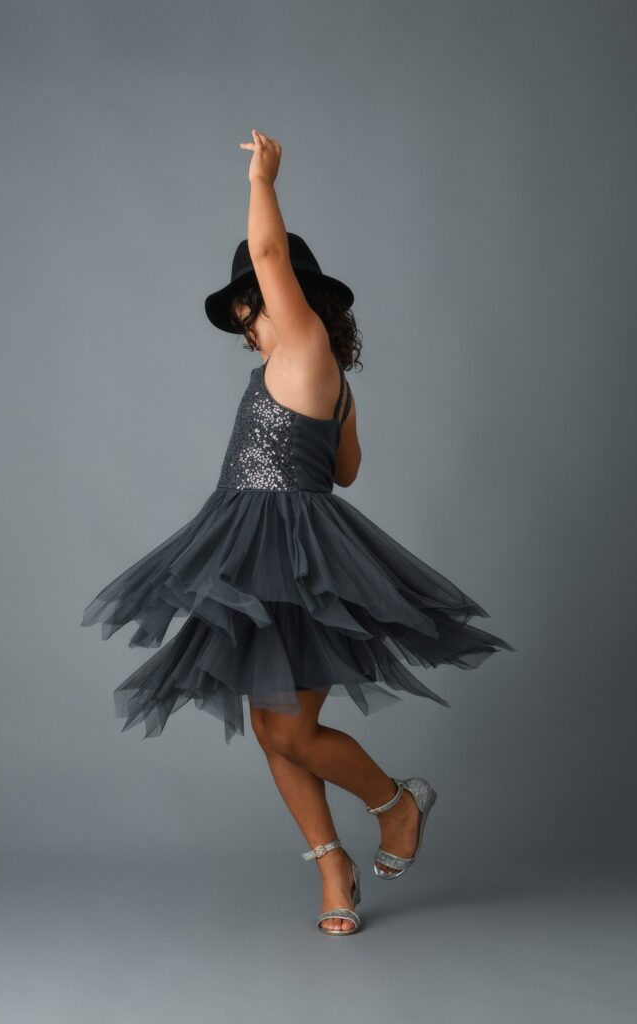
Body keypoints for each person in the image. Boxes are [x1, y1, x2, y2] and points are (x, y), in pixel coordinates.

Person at [81, 129, 514, 936]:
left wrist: (262, 180)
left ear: (271, 300)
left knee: (288, 727)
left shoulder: (306, 343)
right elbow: (345, 471)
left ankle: (397, 804)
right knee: (269, 724)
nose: (245, 324)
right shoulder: (317, 377)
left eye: (248, 306)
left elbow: (269, 250)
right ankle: (332, 871)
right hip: (257, 550)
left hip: (296, 556)